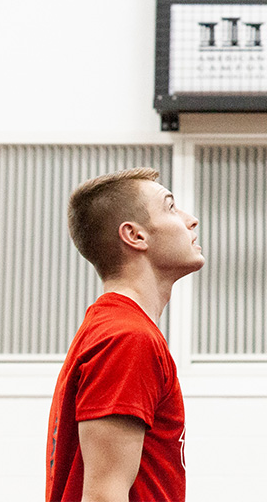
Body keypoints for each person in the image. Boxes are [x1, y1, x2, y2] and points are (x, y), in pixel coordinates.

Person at [46, 168, 205, 502]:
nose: (191, 220)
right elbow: (104, 496)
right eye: (171, 207)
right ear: (135, 236)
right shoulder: (126, 338)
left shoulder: (117, 329)